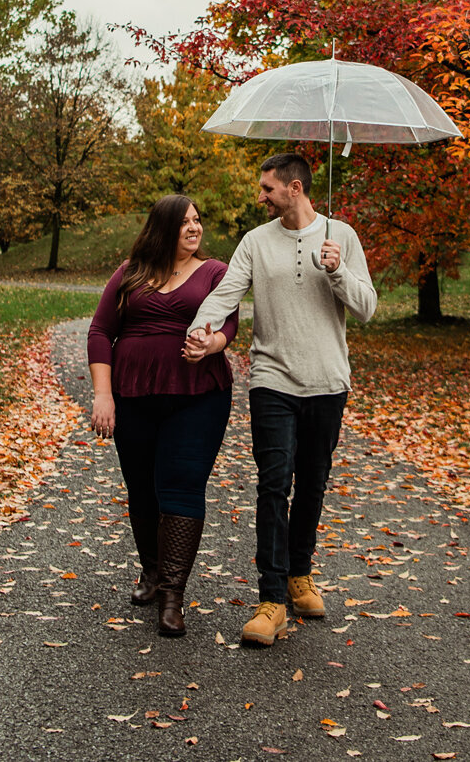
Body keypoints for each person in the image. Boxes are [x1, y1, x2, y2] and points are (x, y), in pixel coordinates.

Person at [182, 151, 377, 647]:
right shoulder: (256, 241)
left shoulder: (343, 237)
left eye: (268, 188)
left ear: (295, 188)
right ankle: (271, 599)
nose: (261, 195)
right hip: (272, 380)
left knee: (312, 484)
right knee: (274, 486)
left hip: (328, 382)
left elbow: (368, 309)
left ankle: (299, 575)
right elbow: (226, 295)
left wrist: (338, 272)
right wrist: (199, 332)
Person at [87, 195, 237, 636]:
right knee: (142, 486)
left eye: (198, 220)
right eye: (184, 222)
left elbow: (229, 323)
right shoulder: (131, 272)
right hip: (131, 394)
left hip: (198, 394)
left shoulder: (215, 273)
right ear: (162, 227)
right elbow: (100, 331)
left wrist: (212, 344)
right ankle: (151, 571)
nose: (194, 228)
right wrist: (102, 395)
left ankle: (173, 594)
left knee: (183, 484)